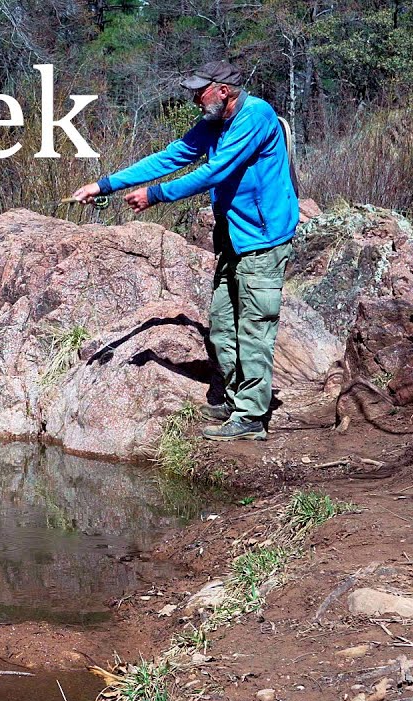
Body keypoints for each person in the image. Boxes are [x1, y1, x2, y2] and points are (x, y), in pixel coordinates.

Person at [71, 60, 298, 442]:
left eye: (200, 91)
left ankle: (252, 417)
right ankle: (235, 398)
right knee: (224, 324)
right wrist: (104, 185)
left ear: (222, 91)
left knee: (254, 328)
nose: (194, 98)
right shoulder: (213, 123)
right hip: (234, 237)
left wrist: (157, 194)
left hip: (263, 239)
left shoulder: (256, 117)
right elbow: (171, 156)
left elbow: (214, 172)